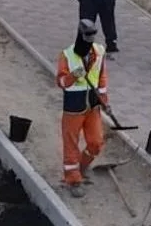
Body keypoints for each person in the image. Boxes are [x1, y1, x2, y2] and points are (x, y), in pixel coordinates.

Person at [55, 18, 111, 198]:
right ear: (80, 35)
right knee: (71, 143)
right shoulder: (67, 55)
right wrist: (72, 76)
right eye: (87, 36)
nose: (90, 41)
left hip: (93, 105)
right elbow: (61, 82)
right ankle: (73, 180)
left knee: (96, 142)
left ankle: (81, 166)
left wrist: (105, 100)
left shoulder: (99, 52)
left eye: (92, 36)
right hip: (73, 106)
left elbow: (101, 78)